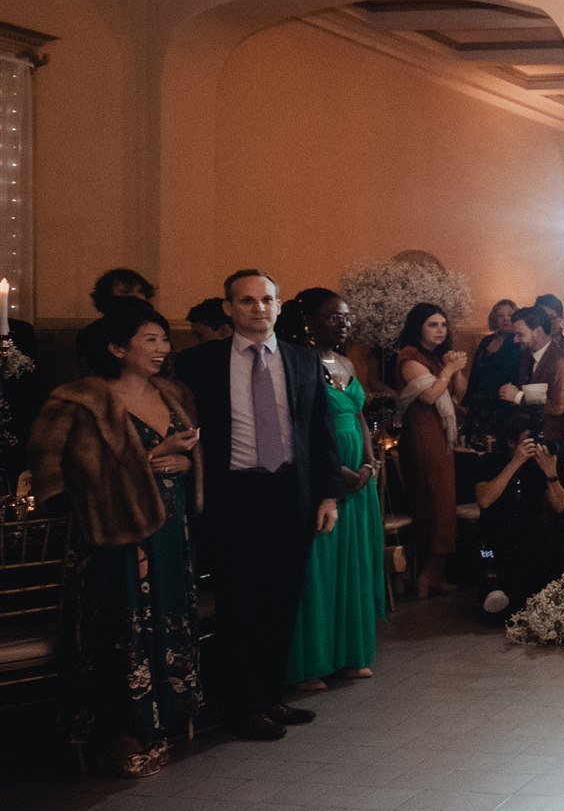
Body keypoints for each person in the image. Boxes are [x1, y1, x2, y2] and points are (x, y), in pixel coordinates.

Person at [29, 301, 203, 777]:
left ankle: (165, 719)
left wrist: (185, 462)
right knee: (119, 628)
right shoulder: (76, 401)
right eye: (151, 339)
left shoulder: (173, 393)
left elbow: (189, 454)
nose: (164, 349)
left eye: (165, 339)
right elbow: (52, 481)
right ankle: (117, 732)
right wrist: (148, 459)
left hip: (170, 529)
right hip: (113, 537)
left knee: (167, 615)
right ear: (116, 347)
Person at [177, 270, 338, 741]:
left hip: (292, 493)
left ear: (279, 305)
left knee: (282, 600)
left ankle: (270, 695)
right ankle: (239, 706)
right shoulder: (199, 364)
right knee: (240, 603)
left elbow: (319, 434)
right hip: (235, 495)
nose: (258, 308)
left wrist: (328, 494)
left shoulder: (302, 360)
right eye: (246, 301)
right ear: (228, 307)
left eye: (266, 299)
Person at [280, 289, 384, 690]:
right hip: (321, 475)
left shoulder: (344, 361)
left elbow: (359, 417)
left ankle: (350, 654)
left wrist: (370, 463)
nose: (343, 324)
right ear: (307, 320)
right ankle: (312, 661)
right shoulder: (294, 362)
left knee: (352, 567)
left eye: (346, 317)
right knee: (319, 570)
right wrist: (334, 472)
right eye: (333, 317)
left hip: (360, 480)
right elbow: (298, 425)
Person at [394, 302, 467, 597]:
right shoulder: (408, 358)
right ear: (417, 328)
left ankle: (432, 574)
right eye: (432, 325)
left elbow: (458, 393)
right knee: (433, 504)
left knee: (443, 505)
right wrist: (449, 369)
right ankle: (425, 576)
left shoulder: (434, 358)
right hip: (422, 436)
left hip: (440, 436)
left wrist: (457, 369)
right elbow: (429, 395)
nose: (440, 330)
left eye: (443, 325)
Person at [475, 428, 564, 618]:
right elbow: (484, 499)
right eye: (529, 440)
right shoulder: (489, 461)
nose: (535, 445)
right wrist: (516, 462)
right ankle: (495, 591)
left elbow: (560, 505)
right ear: (511, 442)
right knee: (489, 561)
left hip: (529, 538)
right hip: (496, 538)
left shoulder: (537, 467)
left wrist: (550, 471)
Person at [498, 306, 563, 440]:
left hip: (548, 436)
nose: (515, 340)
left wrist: (518, 396)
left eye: (520, 334)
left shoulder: (559, 361)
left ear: (538, 332)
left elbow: (557, 406)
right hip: (527, 430)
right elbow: (538, 392)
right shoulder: (526, 354)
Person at [464, 299, 524, 432]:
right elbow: (475, 373)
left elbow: (511, 372)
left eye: (510, 314)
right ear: (494, 319)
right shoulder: (487, 340)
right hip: (480, 402)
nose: (506, 319)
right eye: (500, 316)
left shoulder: (520, 342)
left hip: (505, 403)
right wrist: (467, 402)